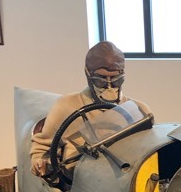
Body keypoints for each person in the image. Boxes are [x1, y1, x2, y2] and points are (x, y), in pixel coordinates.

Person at [30, 41, 153, 177]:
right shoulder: (66, 106)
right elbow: (42, 149)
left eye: (115, 78)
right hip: (79, 188)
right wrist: (40, 162)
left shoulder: (140, 111)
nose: (109, 86)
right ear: (88, 75)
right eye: (100, 79)